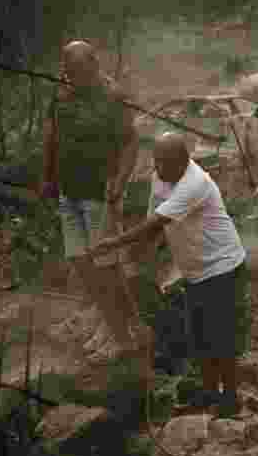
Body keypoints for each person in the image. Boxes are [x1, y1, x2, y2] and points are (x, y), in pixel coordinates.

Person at [90, 133, 247, 417]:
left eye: (163, 163)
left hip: (222, 266)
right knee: (199, 336)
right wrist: (139, 258)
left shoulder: (194, 184)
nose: (157, 168)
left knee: (220, 337)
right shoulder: (160, 177)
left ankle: (231, 400)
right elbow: (154, 222)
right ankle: (209, 394)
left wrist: (113, 243)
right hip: (195, 270)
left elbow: (155, 223)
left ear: (182, 162)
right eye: (156, 162)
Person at [41, 39, 148, 362]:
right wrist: (46, 176)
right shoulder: (60, 94)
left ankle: (123, 338)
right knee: (83, 265)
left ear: (94, 65)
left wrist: (120, 182)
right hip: (68, 192)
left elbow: (131, 143)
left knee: (106, 269)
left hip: (98, 193)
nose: (76, 77)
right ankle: (126, 328)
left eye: (82, 71)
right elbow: (51, 137)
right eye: (70, 72)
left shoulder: (112, 97)